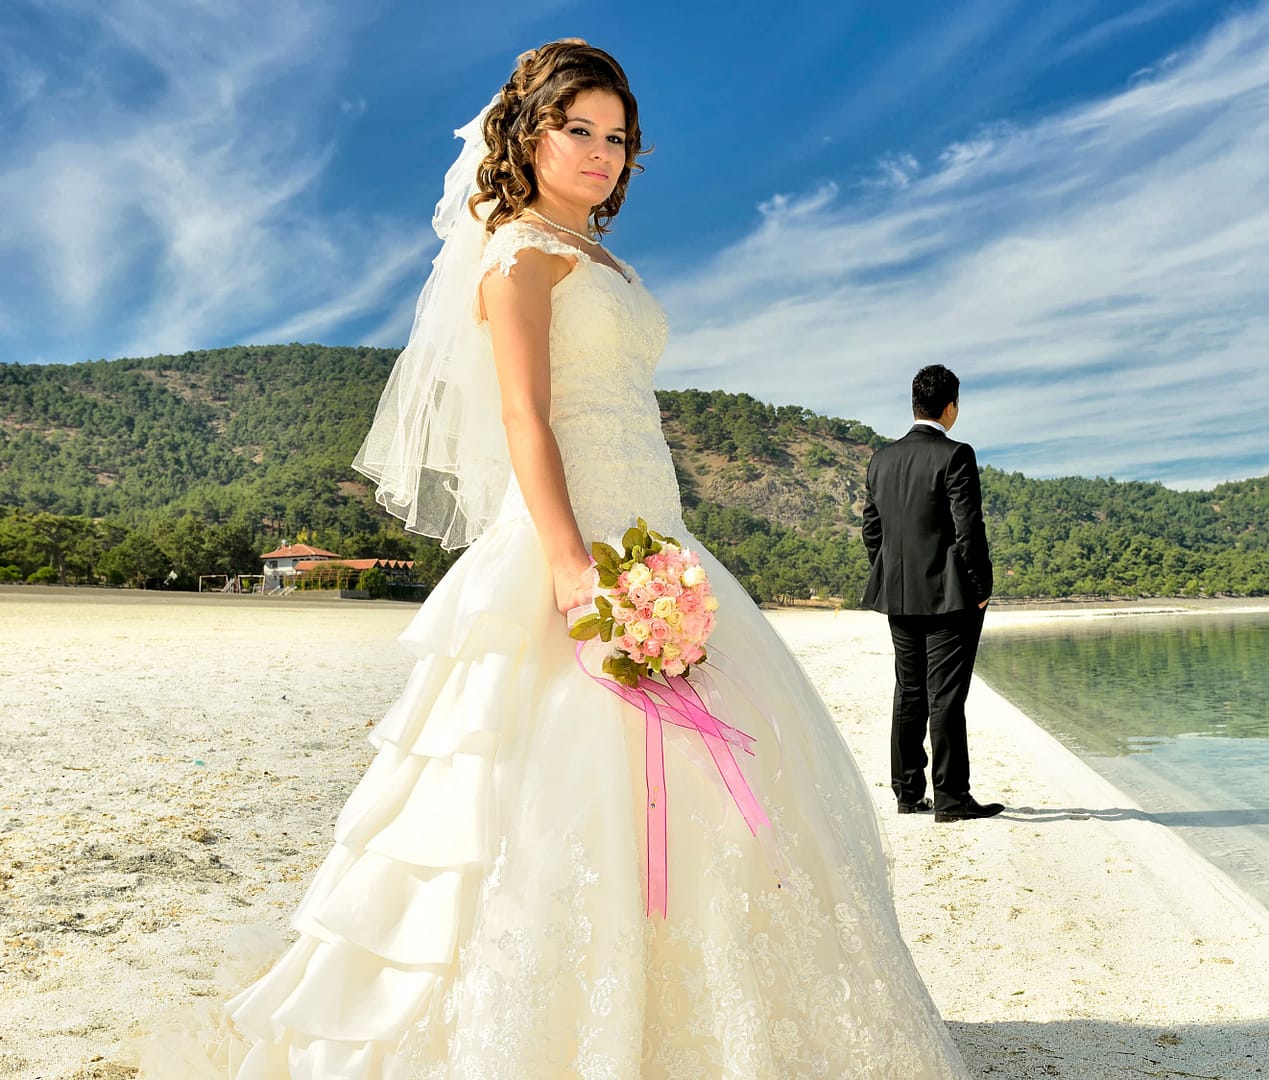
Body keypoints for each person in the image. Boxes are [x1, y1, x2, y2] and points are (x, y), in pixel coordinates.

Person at [140, 40, 971, 1078]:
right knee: (548, 795)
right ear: (528, 134)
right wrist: (574, 565)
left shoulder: (604, 260)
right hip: (574, 542)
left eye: (617, 137)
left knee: (718, 790)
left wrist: (649, 559)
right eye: (577, 129)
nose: (600, 152)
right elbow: (524, 415)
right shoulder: (519, 255)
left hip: (658, 537)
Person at [861, 365, 1003, 824]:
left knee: (909, 690)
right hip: (949, 598)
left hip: (899, 596)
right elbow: (969, 530)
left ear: (914, 404)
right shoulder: (956, 455)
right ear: (951, 406)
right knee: (945, 696)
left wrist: (893, 576)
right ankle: (951, 799)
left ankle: (907, 792)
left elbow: (871, 530)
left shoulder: (880, 460)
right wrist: (982, 587)